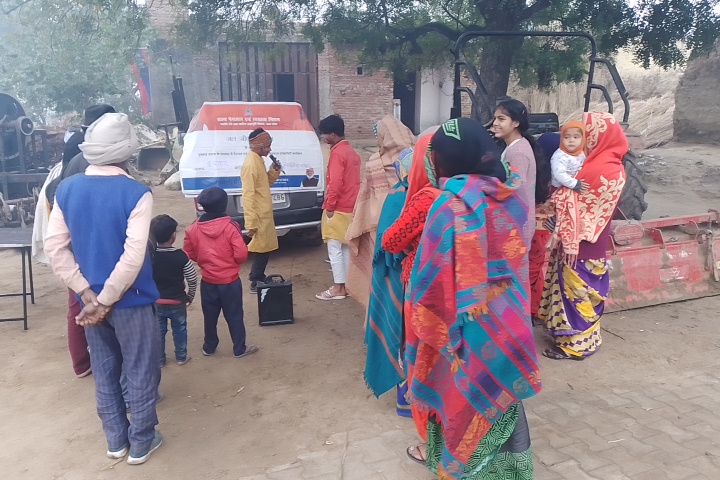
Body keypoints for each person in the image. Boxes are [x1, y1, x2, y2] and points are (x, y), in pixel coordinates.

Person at [404, 118, 541, 478]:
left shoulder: (448, 207)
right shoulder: (510, 196)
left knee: (462, 408)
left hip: (462, 338)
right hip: (507, 326)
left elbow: (429, 288)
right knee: (501, 404)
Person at [45, 112, 163, 464]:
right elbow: (133, 255)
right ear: (127, 153)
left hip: (90, 305)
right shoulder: (137, 193)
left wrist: (87, 294)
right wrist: (108, 298)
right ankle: (141, 441)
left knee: (106, 370)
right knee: (140, 370)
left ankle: (115, 440)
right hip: (132, 300)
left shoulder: (67, 189)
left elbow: (55, 248)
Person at [539, 112, 627, 360]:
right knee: (584, 290)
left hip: (579, 242)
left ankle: (576, 345)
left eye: (586, 134)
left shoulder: (596, 168)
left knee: (575, 291)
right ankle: (582, 338)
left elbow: (569, 199)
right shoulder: (614, 165)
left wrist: (553, 206)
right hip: (594, 238)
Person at [40, 104, 116, 378]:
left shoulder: (76, 153)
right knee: (91, 299)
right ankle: (90, 362)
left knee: (80, 298)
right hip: (90, 239)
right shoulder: (93, 157)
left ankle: (83, 361)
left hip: (78, 237)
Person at [345, 116, 415, 310]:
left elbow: (366, 198)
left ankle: (383, 313)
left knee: (384, 275)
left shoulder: (375, 162)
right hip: (412, 225)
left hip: (380, 225)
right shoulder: (418, 157)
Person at [363, 148, 413, 413]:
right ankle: (406, 398)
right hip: (401, 276)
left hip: (404, 276)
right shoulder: (406, 199)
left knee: (406, 334)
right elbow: (390, 244)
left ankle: (408, 397)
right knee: (405, 334)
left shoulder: (398, 197)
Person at [184, 186, 258, 359]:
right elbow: (241, 255)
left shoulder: (192, 229)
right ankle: (239, 348)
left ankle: (209, 346)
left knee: (209, 315)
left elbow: (189, 253)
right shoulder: (231, 227)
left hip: (208, 281)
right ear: (225, 205)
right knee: (234, 315)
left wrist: (204, 261)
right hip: (230, 281)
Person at [491, 99, 551, 248]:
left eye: (501, 119)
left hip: (516, 225)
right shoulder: (515, 147)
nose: (495, 123)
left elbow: (516, 190)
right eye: (495, 118)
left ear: (516, 123)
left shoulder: (517, 153)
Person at [315, 114, 361, 300]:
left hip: (338, 208)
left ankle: (338, 288)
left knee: (334, 249)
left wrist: (329, 207)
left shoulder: (338, 153)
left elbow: (335, 183)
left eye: (324, 134)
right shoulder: (352, 152)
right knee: (345, 248)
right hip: (352, 207)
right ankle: (346, 286)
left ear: (333, 135)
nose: (323, 138)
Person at [150, 214, 198, 367]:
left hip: (156, 301)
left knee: (158, 332)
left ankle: (160, 360)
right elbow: (192, 278)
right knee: (180, 329)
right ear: (173, 237)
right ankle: (181, 357)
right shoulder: (181, 256)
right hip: (177, 301)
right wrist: (190, 296)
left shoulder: (149, 256)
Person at [240, 128, 281, 293]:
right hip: (258, 215)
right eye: (268, 146)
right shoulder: (250, 164)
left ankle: (258, 276)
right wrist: (250, 222)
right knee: (261, 248)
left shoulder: (258, 160)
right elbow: (248, 195)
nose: (270, 150)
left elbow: (265, 183)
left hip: (264, 213)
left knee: (265, 247)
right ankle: (255, 280)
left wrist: (274, 170)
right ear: (260, 146)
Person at [530, 133, 562, 322]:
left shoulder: (534, 173)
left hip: (529, 228)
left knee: (530, 270)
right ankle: (531, 309)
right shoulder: (560, 178)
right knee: (535, 270)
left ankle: (532, 308)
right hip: (545, 231)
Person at [551, 120, 588, 192]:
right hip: (559, 188)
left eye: (575, 137)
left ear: (583, 139)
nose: (571, 140)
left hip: (575, 185)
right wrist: (574, 184)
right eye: (566, 137)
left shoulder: (581, 152)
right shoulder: (560, 156)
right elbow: (559, 174)